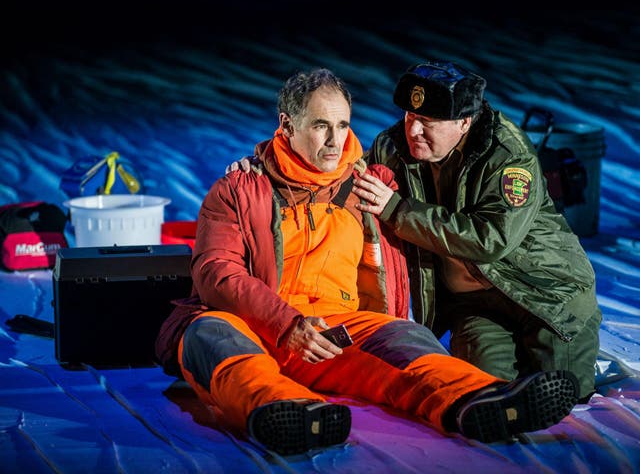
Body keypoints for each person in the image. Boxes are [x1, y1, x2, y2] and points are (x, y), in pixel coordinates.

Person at [156, 67, 578, 456]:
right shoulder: (239, 188)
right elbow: (217, 272)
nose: (334, 140)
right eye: (320, 125)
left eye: (342, 125)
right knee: (208, 333)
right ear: (287, 126)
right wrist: (285, 323)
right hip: (255, 323)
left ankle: (478, 399)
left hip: (333, 330)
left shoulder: (370, 184)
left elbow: (446, 200)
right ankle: (283, 410)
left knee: (403, 339)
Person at [351, 60, 602, 403]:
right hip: (476, 305)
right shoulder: (394, 148)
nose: (413, 131)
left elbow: (490, 238)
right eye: (409, 117)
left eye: (427, 122)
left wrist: (398, 210)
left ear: (464, 122)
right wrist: (265, 169)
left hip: (547, 298)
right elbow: (342, 177)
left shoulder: (506, 154)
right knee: (483, 397)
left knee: (563, 401)